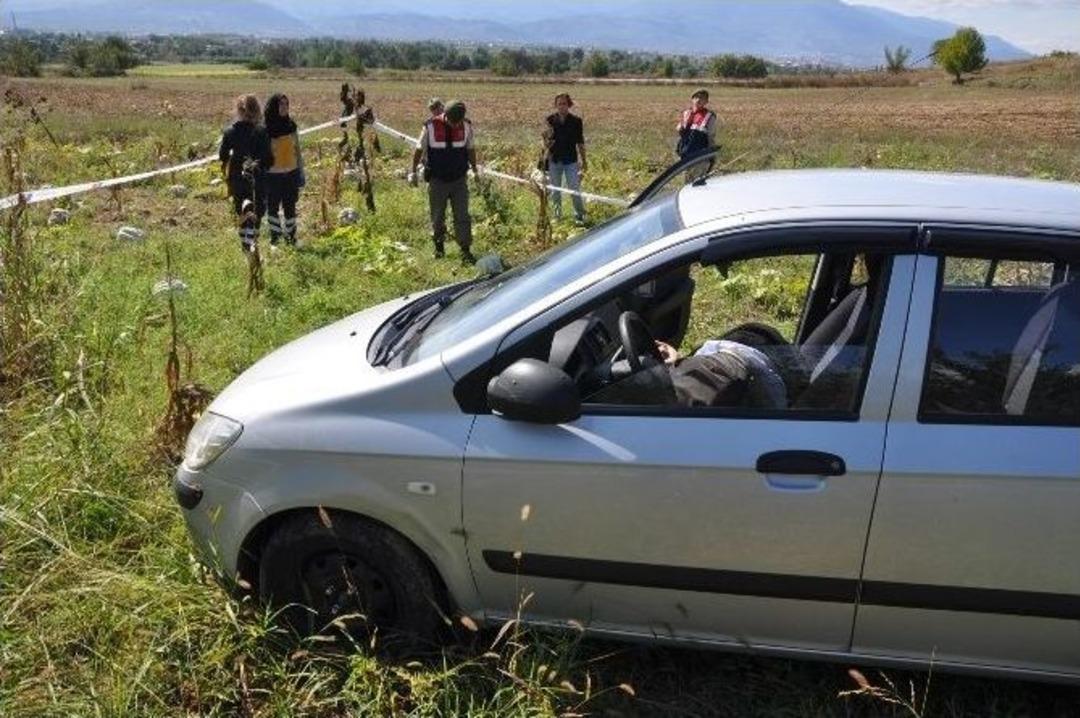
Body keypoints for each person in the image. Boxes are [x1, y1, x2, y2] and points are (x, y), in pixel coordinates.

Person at [410, 100, 478, 263]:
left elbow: (470, 149)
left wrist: (475, 170)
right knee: (437, 216)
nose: (455, 125)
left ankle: (465, 250)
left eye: (458, 122)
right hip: (437, 180)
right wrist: (412, 171)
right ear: (445, 115)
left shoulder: (466, 126)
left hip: (459, 180)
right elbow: (420, 149)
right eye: (453, 122)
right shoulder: (430, 126)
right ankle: (439, 248)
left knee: (462, 216)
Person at [219, 94, 272, 253]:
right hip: (258, 177)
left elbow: (222, 155)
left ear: (238, 110)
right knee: (256, 211)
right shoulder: (262, 131)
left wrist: (234, 158)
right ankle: (252, 244)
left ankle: (245, 245)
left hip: (237, 177)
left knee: (241, 209)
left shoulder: (230, 132)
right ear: (257, 110)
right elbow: (268, 159)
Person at [264, 93, 304, 247]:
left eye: (287, 104)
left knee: (290, 207)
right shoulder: (265, 129)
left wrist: (301, 171)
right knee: (272, 208)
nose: (285, 107)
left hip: (291, 174)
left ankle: (291, 238)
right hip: (272, 176)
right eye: (281, 104)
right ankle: (275, 239)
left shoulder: (291, 126)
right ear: (274, 106)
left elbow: (297, 150)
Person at [544, 93, 588, 224]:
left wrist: (584, 160)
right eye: (559, 104)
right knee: (555, 190)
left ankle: (580, 216)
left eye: (564, 103)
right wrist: (546, 141)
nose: (562, 106)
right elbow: (546, 142)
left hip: (570, 161)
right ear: (556, 105)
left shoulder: (576, 121)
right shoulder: (550, 120)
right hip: (555, 160)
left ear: (569, 105)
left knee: (574, 188)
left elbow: (580, 142)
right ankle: (557, 217)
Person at [675, 89, 717, 161]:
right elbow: (680, 131)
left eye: (702, 98)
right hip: (684, 152)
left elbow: (711, 137)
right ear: (692, 99)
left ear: (706, 102)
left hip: (699, 154)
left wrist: (711, 154)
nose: (698, 100)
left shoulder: (709, 116)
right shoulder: (686, 113)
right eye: (696, 97)